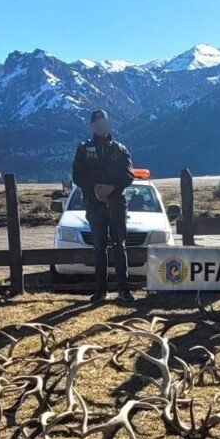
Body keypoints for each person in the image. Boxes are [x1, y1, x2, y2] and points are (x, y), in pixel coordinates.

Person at [72, 109, 135, 303]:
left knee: (119, 245)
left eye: (105, 123)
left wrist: (112, 188)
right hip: (94, 204)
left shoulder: (120, 149)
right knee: (99, 247)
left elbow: (128, 175)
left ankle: (124, 290)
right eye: (98, 124)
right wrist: (96, 189)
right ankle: (101, 290)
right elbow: (77, 175)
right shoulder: (83, 149)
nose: (102, 126)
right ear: (92, 126)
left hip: (117, 203)